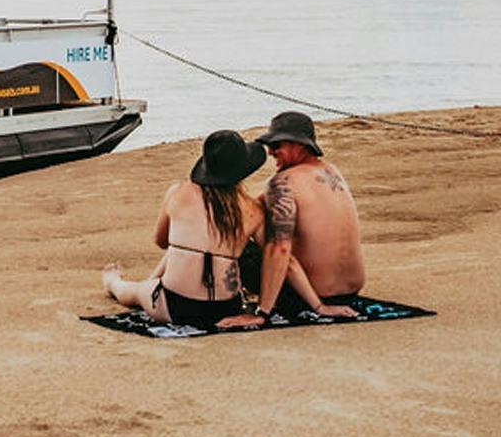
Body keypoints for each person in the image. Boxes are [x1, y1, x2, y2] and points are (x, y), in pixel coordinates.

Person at [100, 129, 271, 330]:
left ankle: (113, 282)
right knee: (196, 248)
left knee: (136, 291)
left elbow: (161, 241)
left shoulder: (178, 192)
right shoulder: (254, 210)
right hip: (226, 308)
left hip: (175, 306)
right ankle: (150, 281)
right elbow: (272, 256)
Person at [219, 111, 363, 328]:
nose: (270, 152)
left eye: (276, 145)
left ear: (299, 145)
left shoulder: (281, 183)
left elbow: (280, 248)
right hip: (350, 291)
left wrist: (262, 313)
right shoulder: (331, 171)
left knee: (245, 245)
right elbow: (259, 207)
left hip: (310, 296)